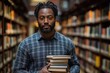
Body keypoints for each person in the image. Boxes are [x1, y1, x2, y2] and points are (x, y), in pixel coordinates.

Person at [12, 1, 80, 73]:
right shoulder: (25, 45)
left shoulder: (67, 43)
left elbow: (75, 65)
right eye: (42, 18)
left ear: (55, 19)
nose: (46, 21)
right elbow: (17, 70)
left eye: (50, 17)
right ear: (37, 20)